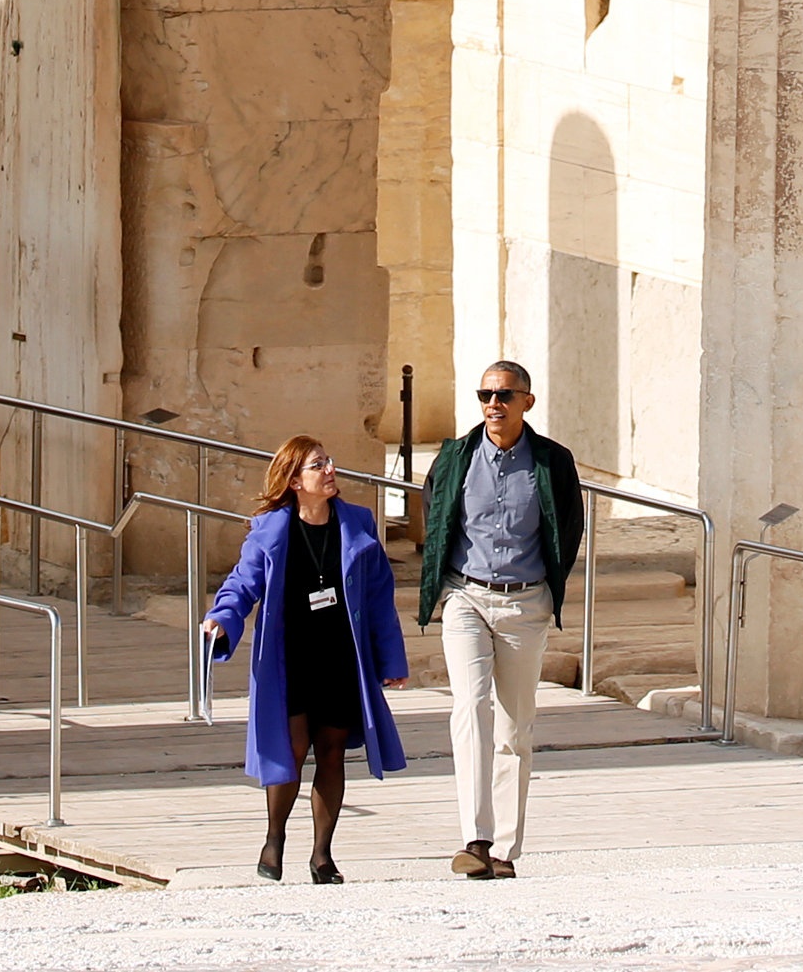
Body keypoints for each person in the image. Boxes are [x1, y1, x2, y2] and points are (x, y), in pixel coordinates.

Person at [202, 435, 411, 884]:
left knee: (332, 752)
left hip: (340, 655)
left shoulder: (357, 523)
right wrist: (222, 617)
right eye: (318, 466)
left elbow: (379, 597)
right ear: (295, 480)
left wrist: (390, 659)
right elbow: (243, 583)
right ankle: (274, 837)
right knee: (292, 749)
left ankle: (322, 854)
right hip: (290, 656)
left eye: (329, 462)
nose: (329, 470)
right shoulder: (271, 529)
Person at [416, 360, 584, 881]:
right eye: (485, 394)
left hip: (524, 603)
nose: (493, 404)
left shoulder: (553, 462)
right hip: (467, 596)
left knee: (514, 724)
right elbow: (435, 513)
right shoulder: (456, 457)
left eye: (505, 395)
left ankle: (505, 848)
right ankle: (474, 837)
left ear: (526, 402)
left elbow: (568, 529)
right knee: (469, 708)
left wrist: (541, 588)